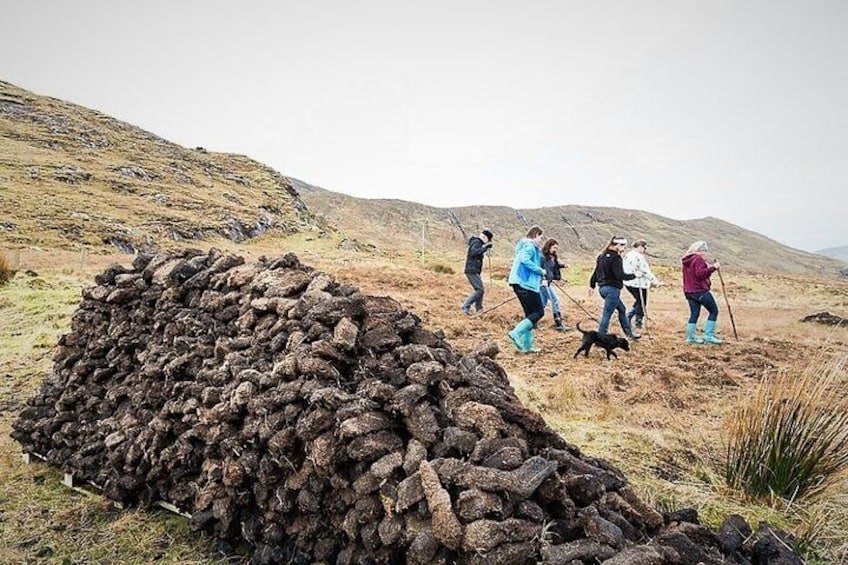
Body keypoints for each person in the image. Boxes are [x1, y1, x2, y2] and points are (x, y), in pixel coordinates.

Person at [589, 236, 640, 339]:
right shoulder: (616, 258)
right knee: (607, 314)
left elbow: (595, 272)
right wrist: (635, 275)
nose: (624, 248)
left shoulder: (601, 256)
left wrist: (592, 286)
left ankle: (629, 334)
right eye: (623, 245)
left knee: (622, 309)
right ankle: (601, 337)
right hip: (612, 290)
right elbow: (620, 275)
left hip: (602, 289)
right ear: (616, 245)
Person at [507, 225, 546, 353]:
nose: (542, 241)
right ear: (535, 235)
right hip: (526, 284)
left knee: (530, 315)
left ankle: (527, 346)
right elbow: (525, 260)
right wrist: (541, 271)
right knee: (539, 312)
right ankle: (516, 333)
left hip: (519, 283)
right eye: (541, 237)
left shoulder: (524, 245)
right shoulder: (529, 245)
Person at [681, 240, 722, 344]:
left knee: (694, 314)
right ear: (700, 250)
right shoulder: (698, 259)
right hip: (700, 290)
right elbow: (700, 274)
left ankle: (690, 338)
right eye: (705, 251)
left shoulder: (687, 260)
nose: (706, 253)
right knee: (714, 311)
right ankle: (708, 336)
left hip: (689, 291)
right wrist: (713, 268)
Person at [623, 239, 662, 330]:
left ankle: (630, 317)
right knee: (641, 302)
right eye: (644, 247)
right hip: (638, 283)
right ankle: (636, 320)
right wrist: (655, 281)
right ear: (640, 246)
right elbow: (645, 271)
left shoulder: (628, 255)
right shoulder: (639, 257)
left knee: (639, 301)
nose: (645, 249)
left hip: (628, 282)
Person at [460, 229, 493, 315]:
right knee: (479, 290)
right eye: (488, 240)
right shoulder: (477, 243)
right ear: (485, 238)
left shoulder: (477, 243)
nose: (487, 242)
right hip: (472, 270)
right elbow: (473, 253)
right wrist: (485, 248)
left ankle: (479, 309)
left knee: (480, 289)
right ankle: (465, 306)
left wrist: (484, 248)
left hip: (474, 270)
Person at [540, 238, 569, 331]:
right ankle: (559, 324)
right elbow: (540, 268)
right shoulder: (542, 257)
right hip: (543, 283)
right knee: (555, 300)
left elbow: (555, 266)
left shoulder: (553, 257)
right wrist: (543, 278)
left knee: (543, 303)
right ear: (549, 246)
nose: (555, 249)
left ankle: (532, 321)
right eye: (554, 247)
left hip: (549, 282)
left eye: (556, 248)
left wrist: (563, 266)